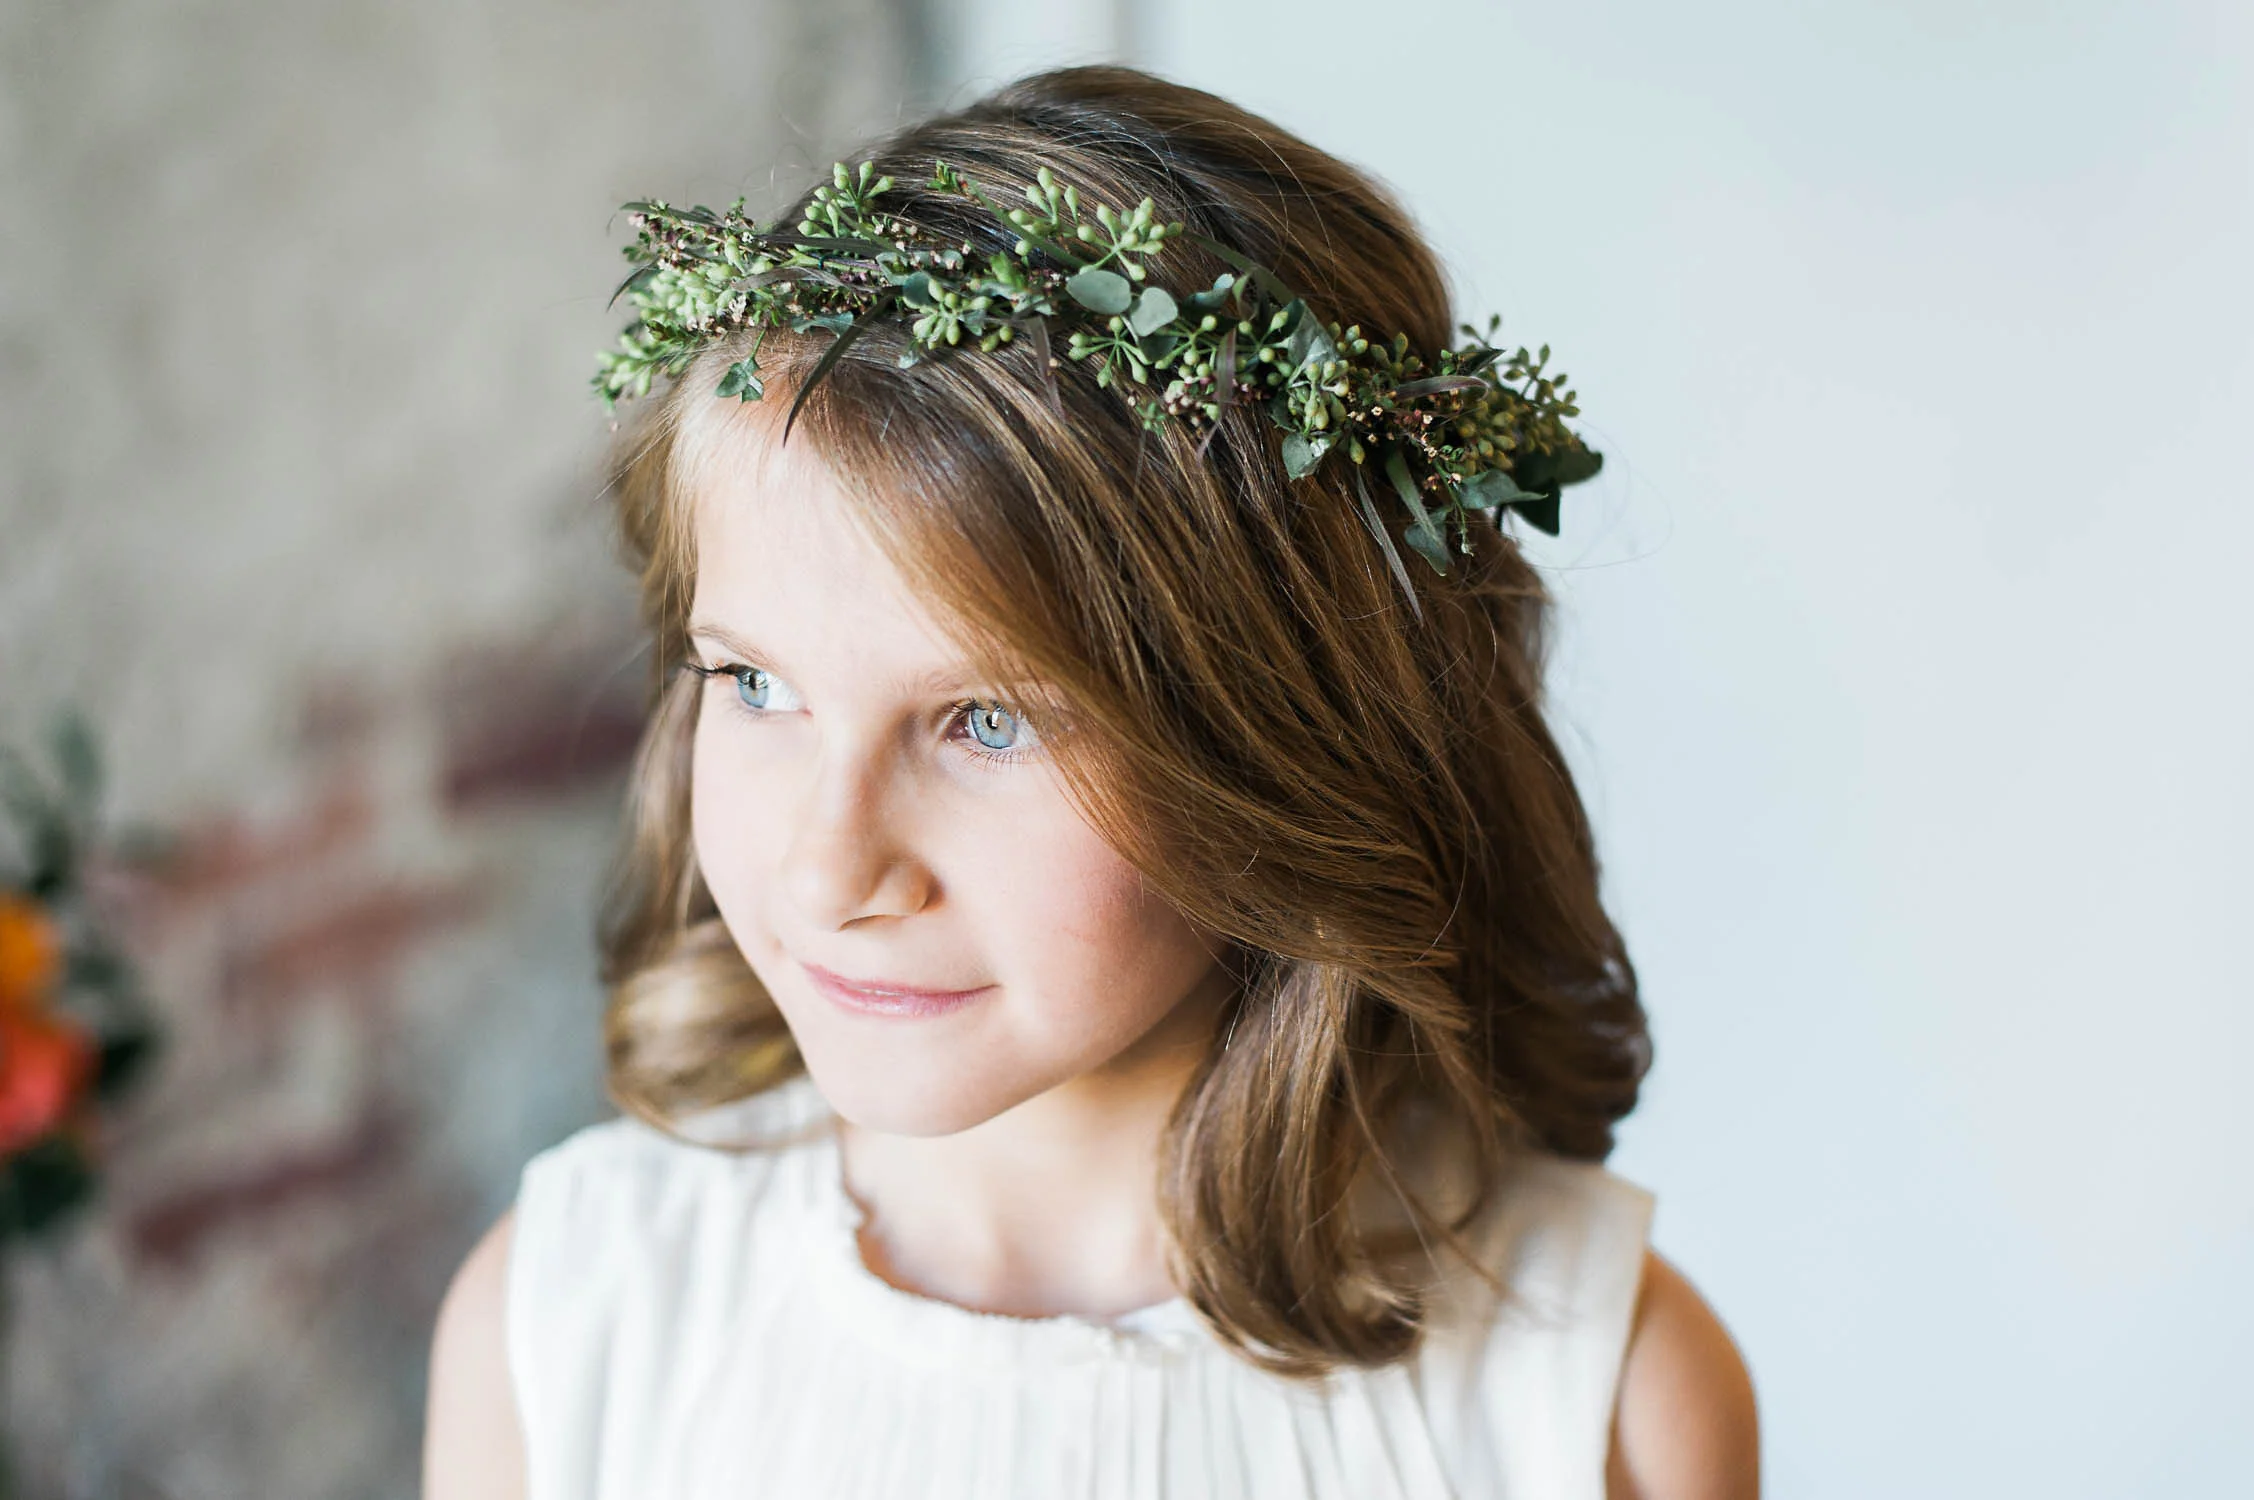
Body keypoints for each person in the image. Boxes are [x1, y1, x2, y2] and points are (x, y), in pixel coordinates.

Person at [422, 63, 1758, 1500]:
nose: (827, 871)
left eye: (987, 722)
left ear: (1287, 741)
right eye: (756, 685)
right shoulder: (568, 1328)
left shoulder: (1590, 1401)